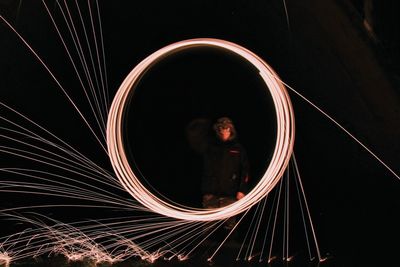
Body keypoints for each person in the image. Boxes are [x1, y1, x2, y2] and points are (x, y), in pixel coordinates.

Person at [201, 117, 250, 229]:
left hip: (230, 193)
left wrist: (242, 190)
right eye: (222, 128)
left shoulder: (238, 149)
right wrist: (206, 189)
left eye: (227, 128)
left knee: (229, 227)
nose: (224, 131)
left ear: (231, 130)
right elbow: (205, 169)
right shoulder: (211, 148)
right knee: (208, 225)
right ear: (218, 130)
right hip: (211, 193)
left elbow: (245, 171)